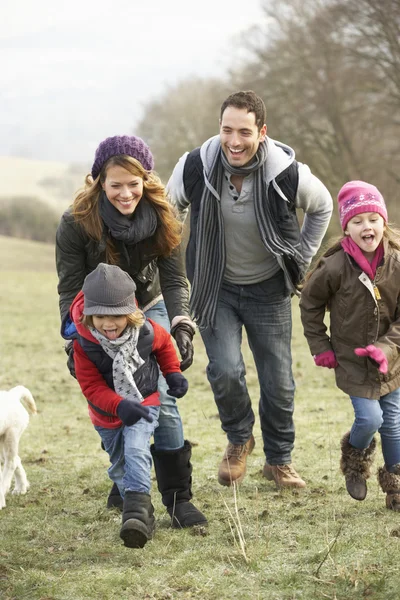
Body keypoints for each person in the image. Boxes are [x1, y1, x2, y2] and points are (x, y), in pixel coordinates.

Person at [167, 90, 333, 488]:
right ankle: (239, 439)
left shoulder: (286, 172)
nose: (234, 141)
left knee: (277, 380)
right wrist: (173, 260)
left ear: (262, 131)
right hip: (214, 288)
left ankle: (278, 460)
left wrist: (299, 260)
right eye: (227, 130)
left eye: (244, 131)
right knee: (224, 369)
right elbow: (170, 209)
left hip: (268, 290)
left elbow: (322, 206)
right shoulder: (194, 165)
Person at [56, 135, 206, 528]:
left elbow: (175, 280)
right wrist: (75, 339)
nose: (126, 193)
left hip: (148, 306)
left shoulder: (164, 216)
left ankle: (178, 497)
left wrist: (181, 325)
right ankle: (126, 477)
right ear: (99, 182)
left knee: (162, 400)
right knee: (115, 393)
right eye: (116, 184)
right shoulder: (76, 223)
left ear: (146, 179)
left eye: (133, 183)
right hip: (98, 311)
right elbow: (70, 287)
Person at [66, 263, 189, 547]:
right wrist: (119, 406)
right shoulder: (83, 345)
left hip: (144, 400)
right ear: (87, 315)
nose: (108, 324)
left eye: (117, 316)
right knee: (120, 466)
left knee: (136, 450)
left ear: (131, 312)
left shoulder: (146, 331)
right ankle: (141, 512)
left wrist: (173, 374)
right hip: (106, 415)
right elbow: (91, 388)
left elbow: (165, 347)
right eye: (99, 317)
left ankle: (134, 516)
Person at [300, 181, 400, 511]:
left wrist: (385, 350)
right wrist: (321, 346)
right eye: (357, 222)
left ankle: (395, 486)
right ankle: (354, 462)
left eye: (372, 218)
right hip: (353, 360)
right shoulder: (334, 266)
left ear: (383, 222)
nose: (366, 227)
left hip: (393, 360)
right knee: (370, 419)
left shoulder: (397, 264)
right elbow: (309, 304)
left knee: (393, 423)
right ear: (347, 228)